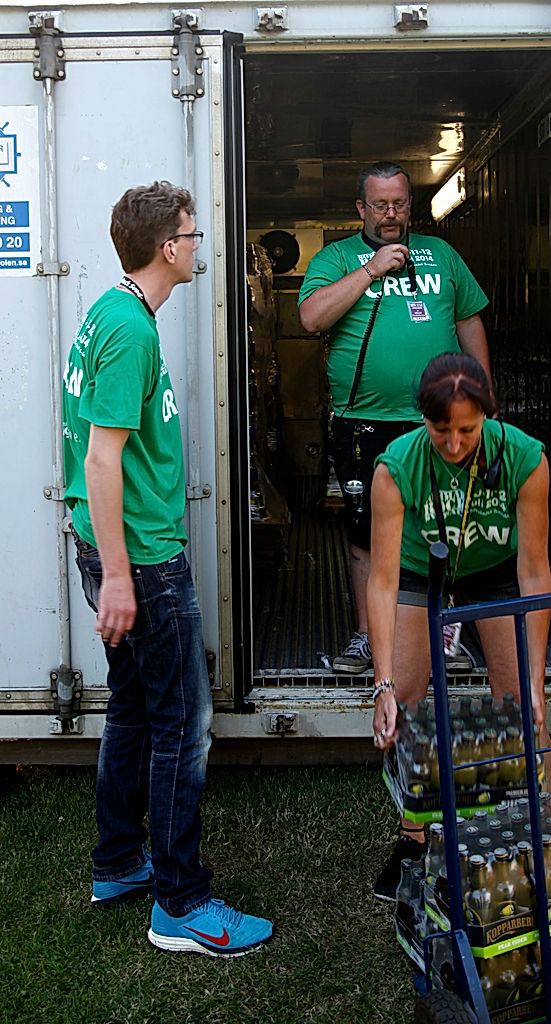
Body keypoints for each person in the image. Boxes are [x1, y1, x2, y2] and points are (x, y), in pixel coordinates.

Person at [62, 181, 273, 956]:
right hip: (142, 560)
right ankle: (179, 905)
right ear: (167, 248)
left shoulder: (111, 312)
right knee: (181, 728)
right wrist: (119, 577)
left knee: (133, 710)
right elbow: (101, 457)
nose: (198, 243)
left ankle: (119, 862)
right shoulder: (129, 330)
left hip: (122, 551)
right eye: (192, 232)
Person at [366, 352, 551, 900]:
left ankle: (548, 835)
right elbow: (381, 582)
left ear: (488, 417)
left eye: (467, 431)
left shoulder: (526, 459)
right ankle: (412, 839)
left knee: (521, 703)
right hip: (418, 569)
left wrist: (536, 677)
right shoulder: (394, 468)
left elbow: (534, 569)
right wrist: (382, 685)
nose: (453, 445)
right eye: (440, 430)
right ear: (422, 419)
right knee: (403, 699)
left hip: (494, 569)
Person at [299, 161, 490, 674]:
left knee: (444, 526)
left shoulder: (441, 254)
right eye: (380, 205)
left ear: (411, 204)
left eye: (400, 204)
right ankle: (369, 636)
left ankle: (442, 636)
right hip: (364, 423)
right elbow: (311, 316)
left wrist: (483, 398)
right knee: (367, 531)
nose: (391, 214)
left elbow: (468, 320)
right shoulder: (336, 257)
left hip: (439, 422)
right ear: (360, 207)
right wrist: (370, 270)